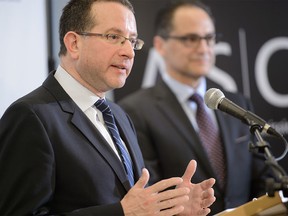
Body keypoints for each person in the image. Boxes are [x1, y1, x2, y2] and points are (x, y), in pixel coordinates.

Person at [0, 0, 217, 215]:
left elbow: (139, 206)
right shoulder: (30, 117)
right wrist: (121, 213)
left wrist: (173, 209)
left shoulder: (119, 114)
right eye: (113, 37)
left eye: (132, 41)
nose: (129, 53)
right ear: (74, 43)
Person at [119, 0, 270, 214]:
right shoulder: (134, 111)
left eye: (209, 38)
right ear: (160, 45)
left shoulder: (237, 105)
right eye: (191, 39)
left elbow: (263, 177)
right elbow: (150, 193)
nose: (203, 48)